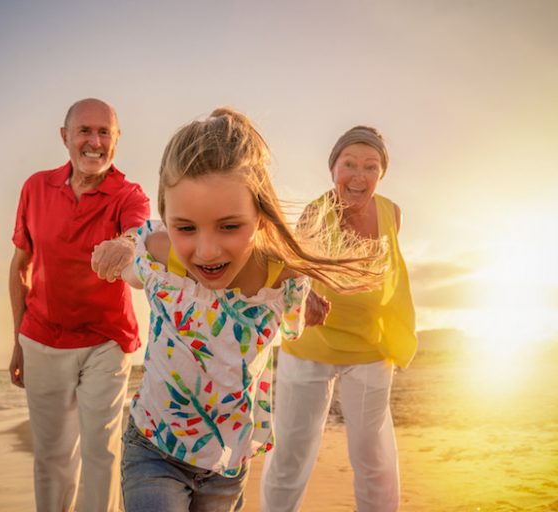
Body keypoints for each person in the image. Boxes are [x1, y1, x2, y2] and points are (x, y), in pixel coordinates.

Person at [91, 108, 383, 512]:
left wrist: (308, 307)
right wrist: (119, 246)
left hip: (227, 465)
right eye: (186, 227)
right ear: (167, 217)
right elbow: (133, 255)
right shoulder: (162, 255)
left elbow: (293, 322)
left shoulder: (279, 278)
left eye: (229, 226)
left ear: (260, 217)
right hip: (154, 448)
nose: (207, 251)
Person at [261, 126, 417, 512]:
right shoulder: (316, 212)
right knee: (292, 452)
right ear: (333, 169)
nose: (359, 176)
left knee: (374, 457)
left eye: (371, 166)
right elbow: (295, 269)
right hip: (312, 345)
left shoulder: (392, 214)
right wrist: (307, 296)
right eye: (349, 164)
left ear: (382, 173)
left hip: (369, 346)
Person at [8, 98, 150, 512]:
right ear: (65, 137)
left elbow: (139, 235)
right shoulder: (35, 187)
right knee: (51, 457)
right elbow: (20, 268)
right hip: (42, 338)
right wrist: (18, 341)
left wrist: (125, 244)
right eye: (85, 131)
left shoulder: (128, 194)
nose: (94, 141)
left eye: (105, 132)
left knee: (100, 450)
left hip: (106, 341)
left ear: (117, 140)